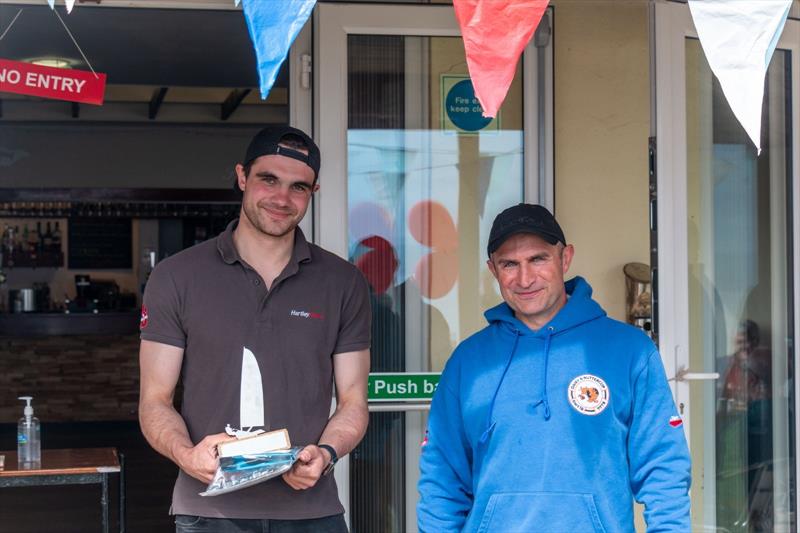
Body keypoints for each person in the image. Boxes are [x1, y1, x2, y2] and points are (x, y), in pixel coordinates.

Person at [138, 125, 371, 532]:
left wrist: (328, 454)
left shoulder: (343, 282)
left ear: (312, 193)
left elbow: (353, 400)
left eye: (298, 187)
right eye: (269, 180)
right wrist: (186, 454)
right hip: (210, 513)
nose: (282, 199)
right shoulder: (177, 277)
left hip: (311, 513)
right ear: (243, 176)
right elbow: (154, 400)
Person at [417, 203, 691, 532]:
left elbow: (663, 466)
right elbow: (442, 479)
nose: (524, 278)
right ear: (493, 270)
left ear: (565, 258)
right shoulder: (469, 362)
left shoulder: (629, 350)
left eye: (538, 259)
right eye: (509, 264)